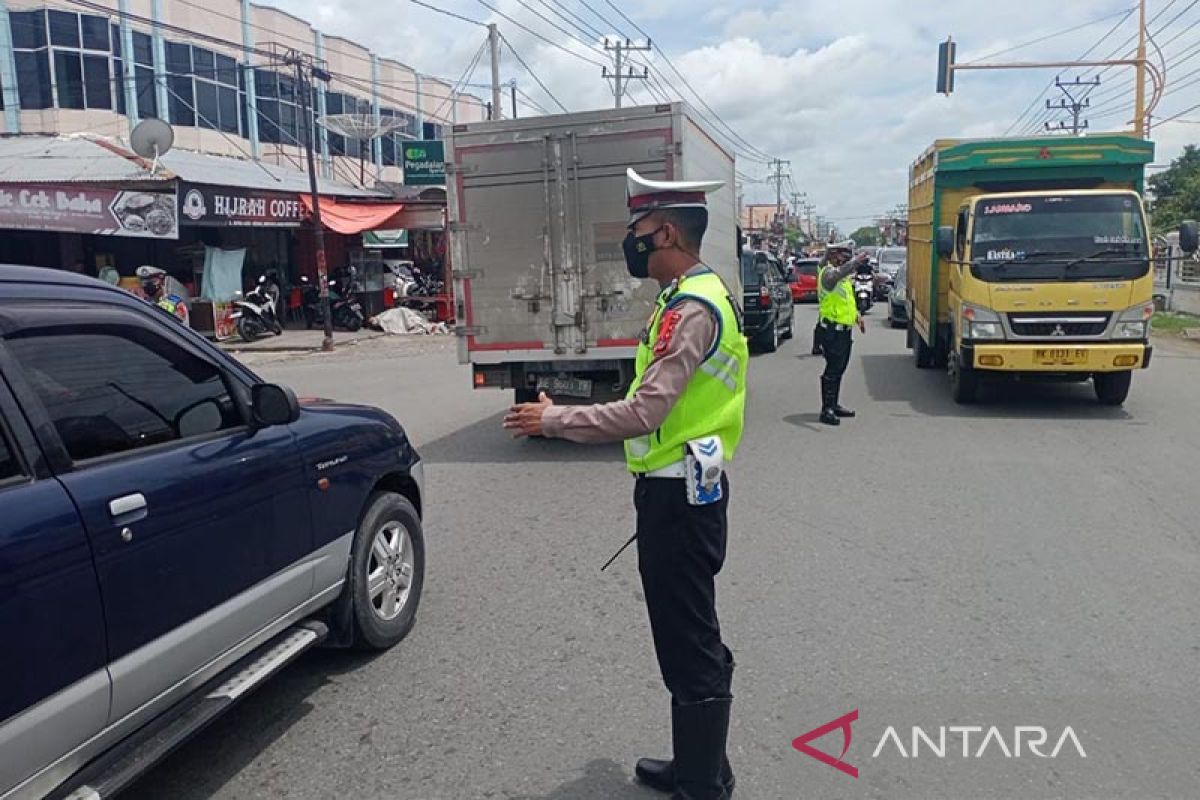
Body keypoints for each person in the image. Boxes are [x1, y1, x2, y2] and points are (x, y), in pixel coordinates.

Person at [503, 168, 748, 800]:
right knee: (683, 630)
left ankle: (703, 783)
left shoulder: (692, 308)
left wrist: (553, 420)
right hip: (680, 487)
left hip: (678, 497)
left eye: (637, 230)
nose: (631, 242)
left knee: (688, 636)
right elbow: (650, 399)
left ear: (665, 230)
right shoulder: (684, 297)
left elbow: (644, 413)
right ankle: (700, 763)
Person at [815, 241, 868, 426]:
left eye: (846, 256)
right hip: (831, 331)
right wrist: (854, 262)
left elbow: (847, 302)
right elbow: (837, 274)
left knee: (840, 368)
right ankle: (826, 409)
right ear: (831, 256)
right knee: (832, 369)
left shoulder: (842, 280)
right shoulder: (828, 274)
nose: (843, 259)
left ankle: (834, 404)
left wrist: (857, 317)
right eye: (841, 255)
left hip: (844, 331)